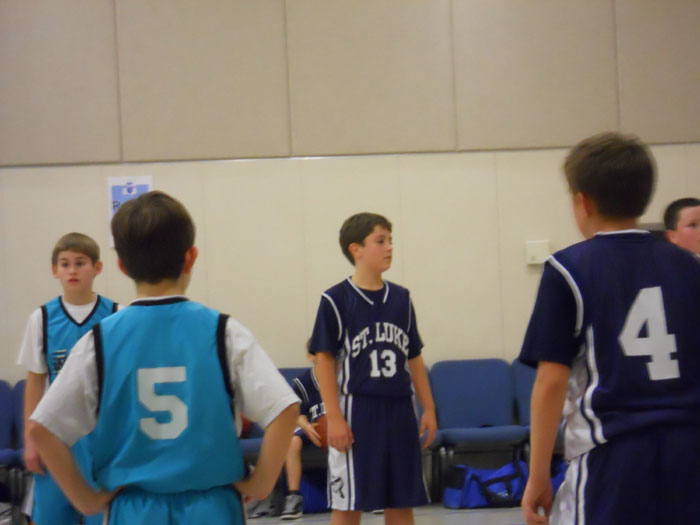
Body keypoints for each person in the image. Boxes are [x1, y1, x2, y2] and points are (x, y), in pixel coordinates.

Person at [27, 191, 300, 524]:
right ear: (191, 257)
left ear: (121, 265)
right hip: (212, 505)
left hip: (134, 509)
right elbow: (285, 408)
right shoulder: (224, 332)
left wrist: (86, 500)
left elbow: (42, 428)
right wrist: (261, 484)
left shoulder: (98, 341)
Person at [519, 133, 700, 525]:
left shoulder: (567, 269)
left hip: (613, 455)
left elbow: (551, 381)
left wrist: (538, 474)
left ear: (583, 201)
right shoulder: (690, 266)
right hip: (688, 453)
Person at [309, 212, 437, 525]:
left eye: (390, 240)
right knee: (349, 503)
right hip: (358, 410)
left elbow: (414, 357)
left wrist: (429, 408)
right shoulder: (335, 299)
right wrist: (333, 417)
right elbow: (323, 359)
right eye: (380, 241)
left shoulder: (402, 299)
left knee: (401, 502)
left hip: (400, 408)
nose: (390, 247)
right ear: (357, 250)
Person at [17, 232, 118, 525]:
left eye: (80, 263)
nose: (72, 270)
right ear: (55, 270)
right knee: (51, 516)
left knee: (103, 516)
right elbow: (35, 381)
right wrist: (31, 440)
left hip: (100, 436)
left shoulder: (115, 315)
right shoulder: (42, 318)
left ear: (97, 268)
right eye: (65, 264)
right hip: (56, 437)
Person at [281, 346, 326, 520]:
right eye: (320, 355)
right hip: (310, 426)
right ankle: (294, 497)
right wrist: (306, 426)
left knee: (366, 434)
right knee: (292, 441)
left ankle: (373, 493)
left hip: (339, 425)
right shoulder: (303, 381)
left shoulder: (343, 376)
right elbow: (298, 415)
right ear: (310, 357)